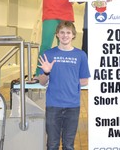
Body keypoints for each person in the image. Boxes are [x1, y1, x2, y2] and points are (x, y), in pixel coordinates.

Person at [37, 21, 90, 150]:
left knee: (69, 145)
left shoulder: (81, 55)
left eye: (68, 32)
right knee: (52, 144)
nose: (65, 35)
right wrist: (46, 72)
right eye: (62, 32)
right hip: (53, 105)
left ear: (73, 35)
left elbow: (84, 81)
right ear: (57, 35)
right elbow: (42, 82)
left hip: (73, 106)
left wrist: (69, 81)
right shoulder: (48, 54)